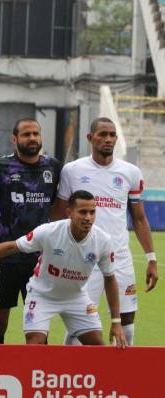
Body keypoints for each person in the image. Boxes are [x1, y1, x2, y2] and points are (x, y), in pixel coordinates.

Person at [53, 117, 158, 346]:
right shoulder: (72, 170)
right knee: (80, 319)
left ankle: (122, 372)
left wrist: (151, 258)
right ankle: (69, 373)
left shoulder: (130, 172)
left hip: (119, 256)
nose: (108, 139)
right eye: (102, 134)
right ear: (91, 138)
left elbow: (139, 218)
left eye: (112, 135)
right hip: (82, 258)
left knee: (127, 319)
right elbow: (60, 215)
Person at [0, 190, 126, 348]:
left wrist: (116, 322)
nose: (88, 218)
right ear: (70, 213)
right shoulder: (49, 231)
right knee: (35, 343)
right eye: (82, 212)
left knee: (97, 345)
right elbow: (13, 247)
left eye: (92, 212)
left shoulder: (103, 241)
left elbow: (110, 279)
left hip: (76, 297)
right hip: (42, 296)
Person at [0, 118, 62, 344]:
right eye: (26, 134)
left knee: (37, 328)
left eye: (35, 134)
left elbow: (62, 205)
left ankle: (35, 376)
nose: (32, 138)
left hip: (40, 259)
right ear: (14, 139)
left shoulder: (54, 167)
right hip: (5, 256)